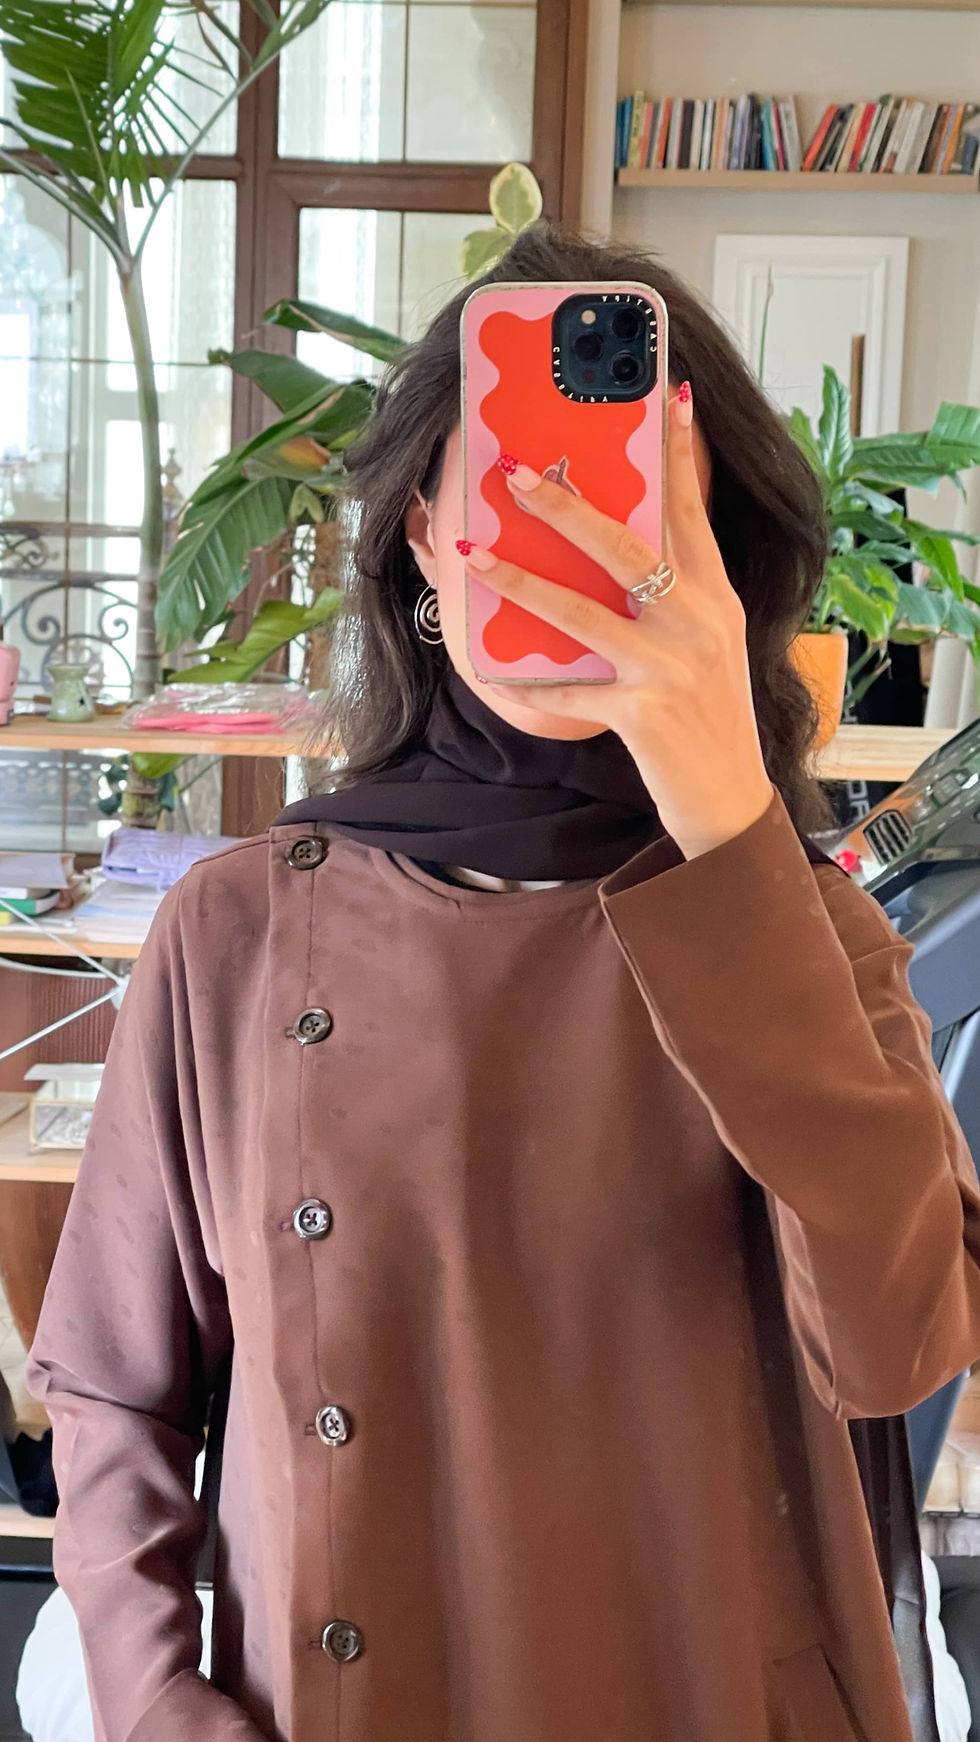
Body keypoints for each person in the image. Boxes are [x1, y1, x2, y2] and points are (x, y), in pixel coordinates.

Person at [23, 223, 980, 1742]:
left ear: (715, 568)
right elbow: (111, 1392)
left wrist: (727, 817)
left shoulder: (806, 933)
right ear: (420, 534)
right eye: (521, 492)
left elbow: (896, 1342)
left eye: (621, 507)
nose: (568, 551)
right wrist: (160, 1710)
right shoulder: (237, 934)